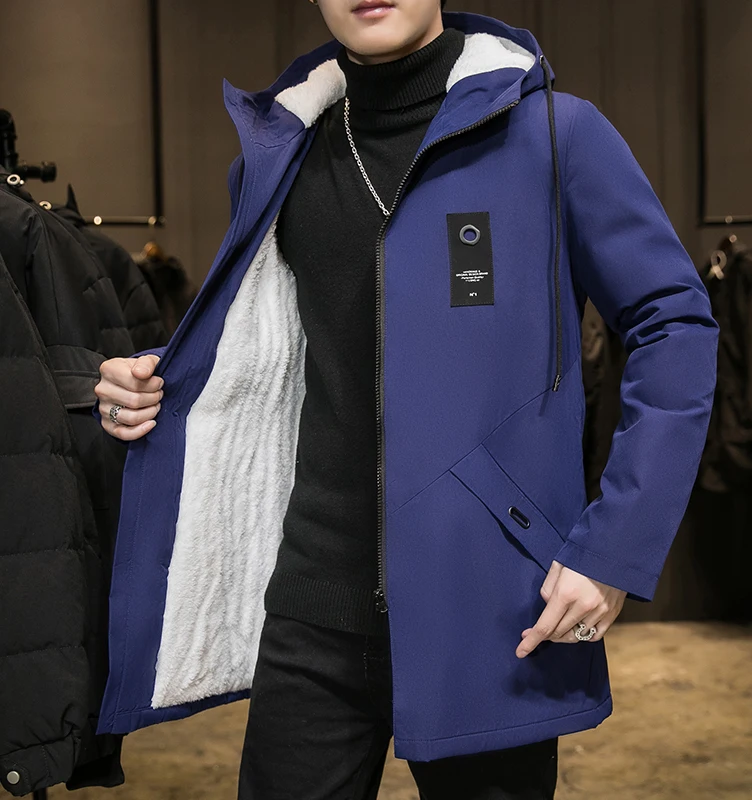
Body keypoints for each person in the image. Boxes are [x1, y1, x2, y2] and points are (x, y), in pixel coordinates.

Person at [92, 1, 719, 798]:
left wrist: (615, 549)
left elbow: (674, 327)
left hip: (489, 603)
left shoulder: (555, 134)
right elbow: (281, 340)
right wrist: (159, 379)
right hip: (312, 606)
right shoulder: (284, 151)